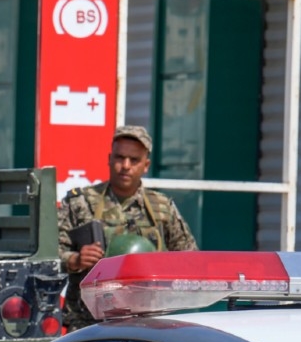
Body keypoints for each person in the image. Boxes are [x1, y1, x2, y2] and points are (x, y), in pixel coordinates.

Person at [58, 125, 197, 330]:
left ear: (146, 165)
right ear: (109, 159)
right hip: (87, 324)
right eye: (119, 157)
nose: (125, 166)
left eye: (134, 160)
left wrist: (158, 269)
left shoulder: (162, 209)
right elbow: (47, 256)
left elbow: (189, 260)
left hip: (147, 322)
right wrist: (74, 260)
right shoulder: (80, 203)